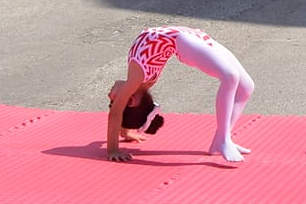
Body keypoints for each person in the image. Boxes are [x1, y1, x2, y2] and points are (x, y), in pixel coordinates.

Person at [102, 27, 254, 164]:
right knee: (230, 76)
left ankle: (219, 140)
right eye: (112, 99)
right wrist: (113, 150)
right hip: (182, 42)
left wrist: (126, 131)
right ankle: (223, 140)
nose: (109, 93)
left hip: (196, 37)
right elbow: (115, 114)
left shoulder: (142, 82)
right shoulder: (136, 77)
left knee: (246, 87)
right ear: (130, 101)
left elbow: (119, 113)